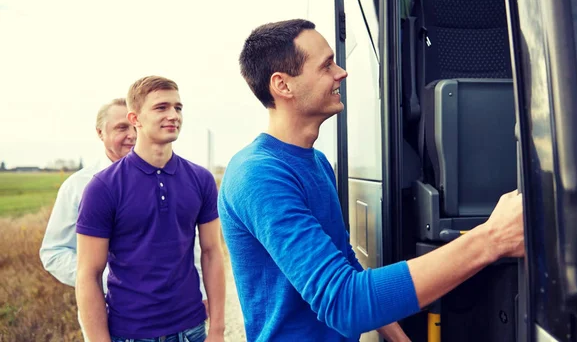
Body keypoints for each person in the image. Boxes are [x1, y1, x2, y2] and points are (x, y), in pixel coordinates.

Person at [218, 19, 525, 342]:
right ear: (283, 85)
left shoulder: (318, 162)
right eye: (326, 66)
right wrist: (492, 239)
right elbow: (343, 301)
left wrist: (398, 337)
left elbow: (345, 261)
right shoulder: (258, 175)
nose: (341, 72)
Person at [40, 98, 208, 340]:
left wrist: (200, 290)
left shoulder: (171, 177)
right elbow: (53, 252)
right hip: (109, 318)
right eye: (121, 128)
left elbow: (189, 246)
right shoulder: (79, 186)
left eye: (133, 126)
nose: (132, 135)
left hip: (180, 319)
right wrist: (113, 279)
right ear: (100, 133)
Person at [76, 77, 225, 342]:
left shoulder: (201, 180)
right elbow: (88, 274)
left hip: (192, 330)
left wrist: (217, 329)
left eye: (178, 108)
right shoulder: (103, 187)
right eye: (161, 107)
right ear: (136, 118)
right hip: (131, 333)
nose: (173, 115)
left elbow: (213, 253)